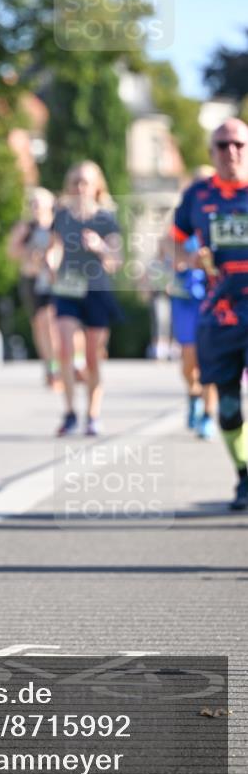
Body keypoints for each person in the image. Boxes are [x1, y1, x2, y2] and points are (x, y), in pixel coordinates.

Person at [171, 118, 248, 510]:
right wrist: (190, 258)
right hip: (220, 314)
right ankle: (244, 476)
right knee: (229, 406)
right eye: (222, 145)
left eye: (238, 144)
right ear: (212, 152)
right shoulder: (197, 197)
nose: (231, 152)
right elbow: (174, 245)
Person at [48, 160, 123, 436]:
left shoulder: (106, 218)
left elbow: (116, 261)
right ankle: (69, 412)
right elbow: (54, 247)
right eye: (76, 182)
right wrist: (50, 261)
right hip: (68, 287)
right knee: (65, 349)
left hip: (97, 290)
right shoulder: (62, 215)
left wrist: (100, 247)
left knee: (92, 357)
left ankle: (92, 414)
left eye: (86, 182)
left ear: (96, 187)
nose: (80, 187)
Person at [8, 186, 61, 388]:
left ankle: (61, 364)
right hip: (32, 280)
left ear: (49, 204)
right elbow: (12, 252)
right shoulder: (26, 228)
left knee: (53, 322)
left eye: (38, 203)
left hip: (53, 280)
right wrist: (28, 252)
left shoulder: (57, 226)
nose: (34, 207)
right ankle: (49, 367)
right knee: (39, 324)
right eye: (32, 203)